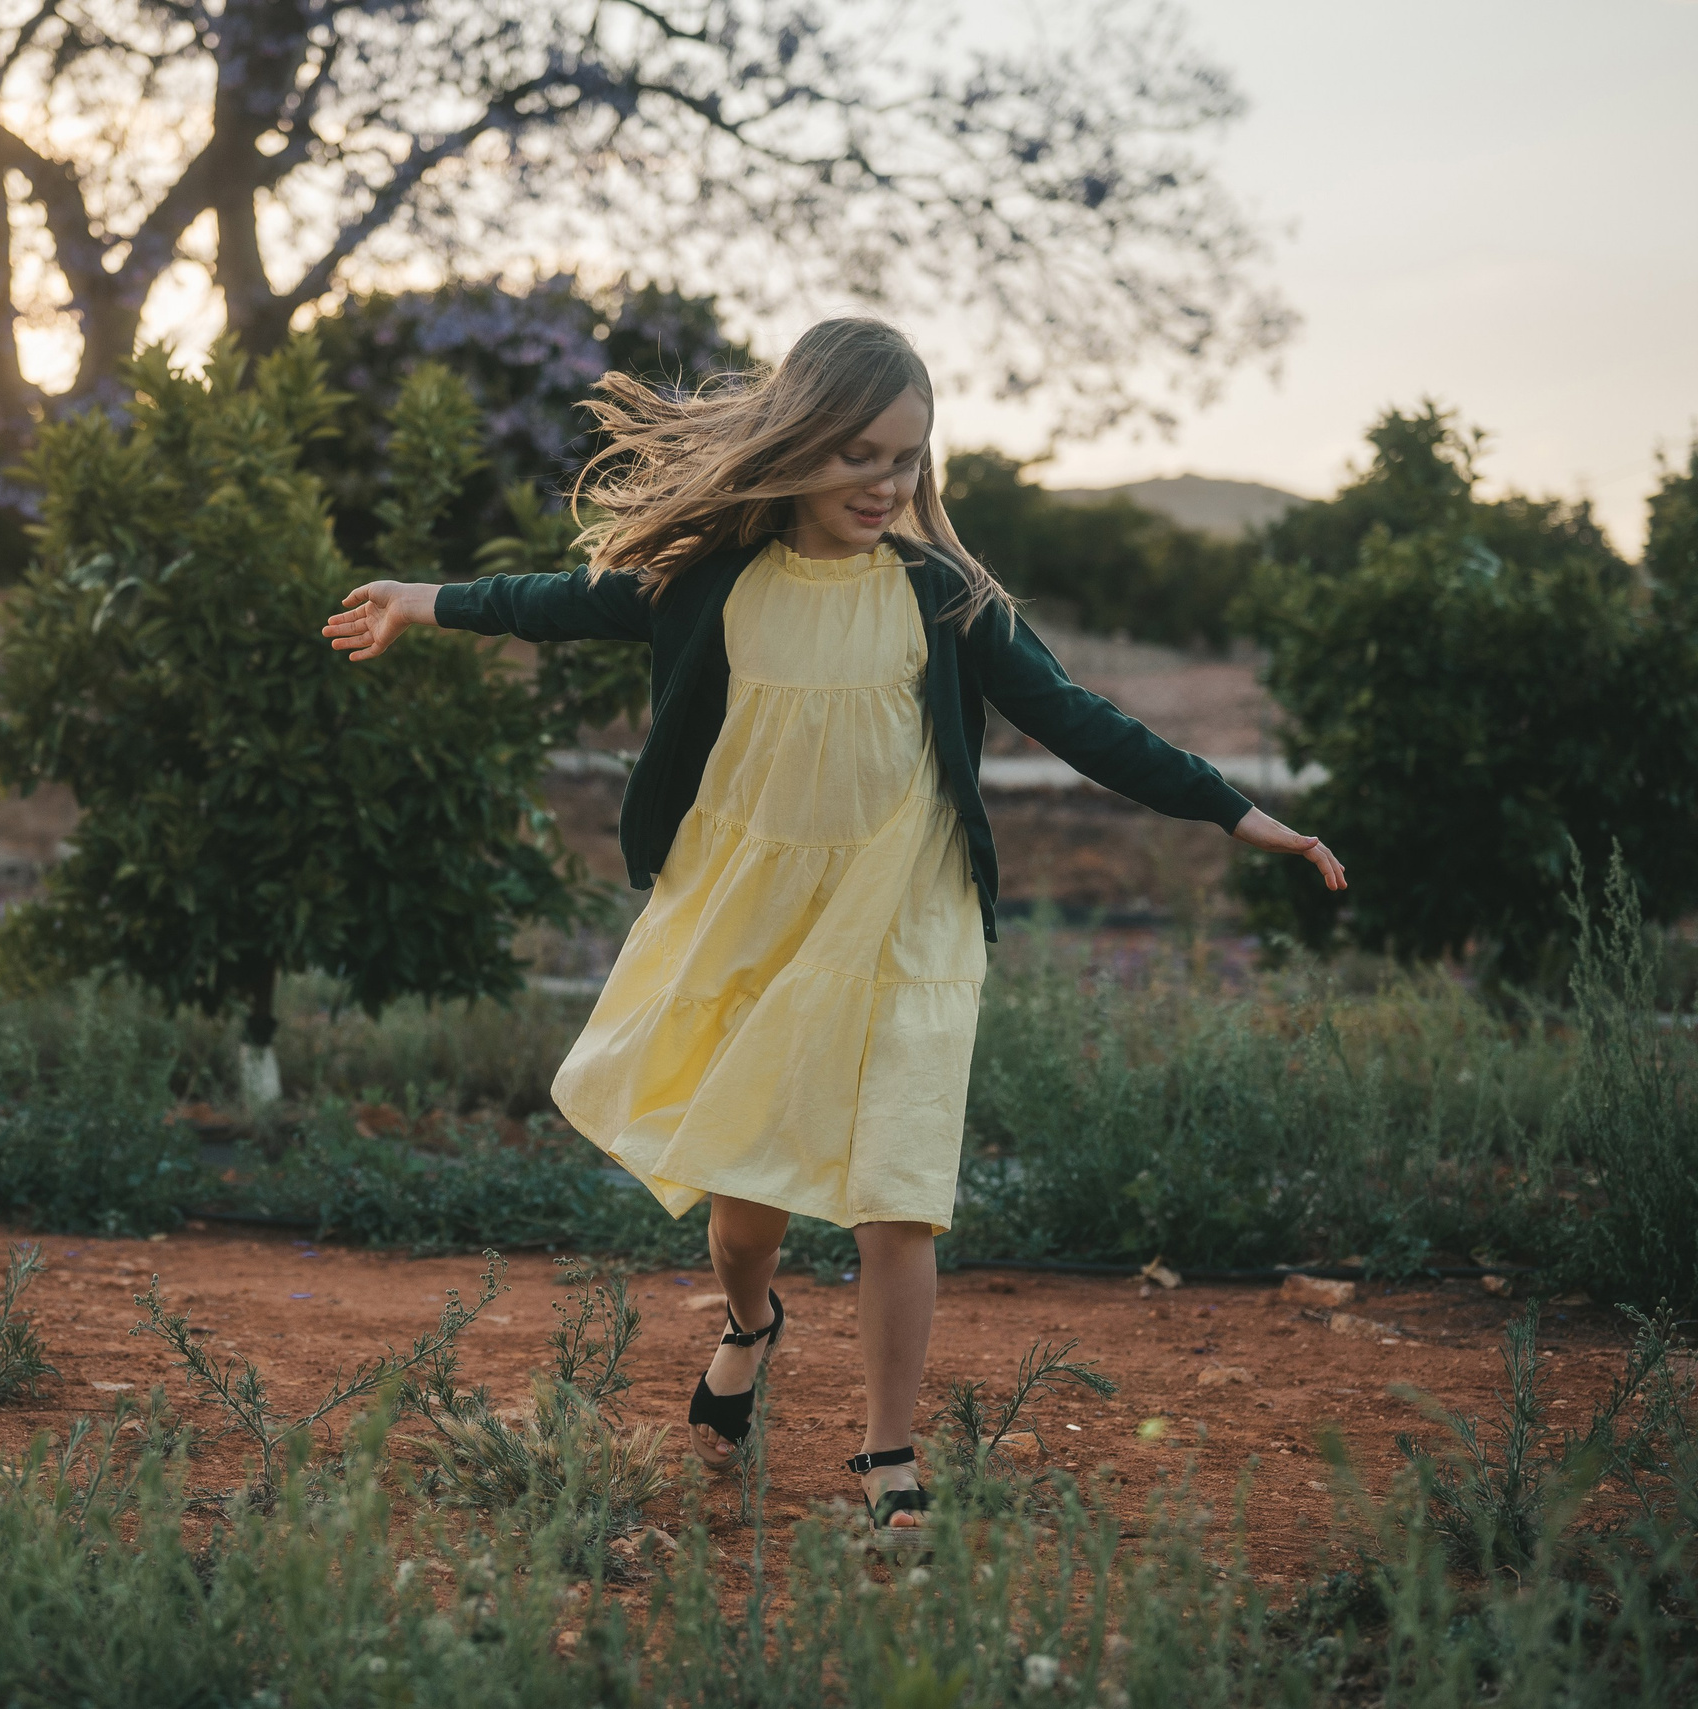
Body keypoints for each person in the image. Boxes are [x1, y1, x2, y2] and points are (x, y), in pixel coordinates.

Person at [320, 319, 1345, 1545]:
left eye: (908, 459)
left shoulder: (948, 597)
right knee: (746, 1201)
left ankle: (888, 1449)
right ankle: (750, 1325)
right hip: (752, 907)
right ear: (798, 443)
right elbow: (564, 601)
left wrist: (1233, 811)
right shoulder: (716, 580)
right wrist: (419, 601)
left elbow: (1078, 717)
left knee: (894, 1192)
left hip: (908, 912)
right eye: (859, 453)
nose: (886, 483)